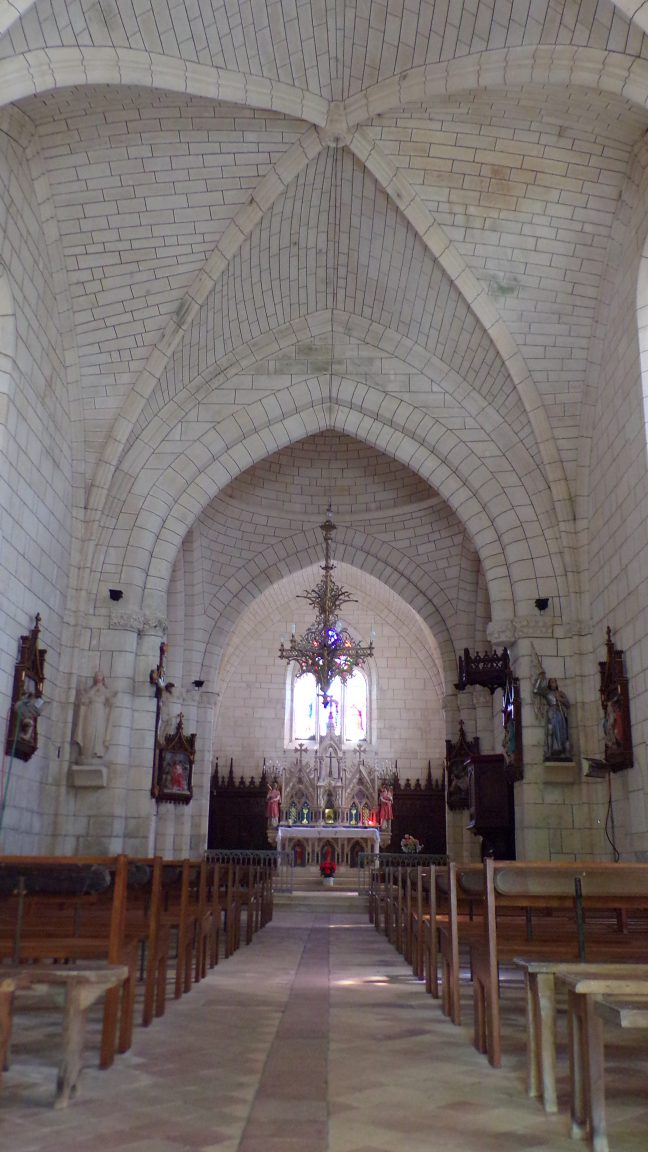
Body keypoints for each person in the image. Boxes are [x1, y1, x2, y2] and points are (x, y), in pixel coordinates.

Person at [74, 670, 116, 761]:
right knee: (89, 730)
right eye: (97, 675)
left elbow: (110, 701)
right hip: (90, 712)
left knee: (99, 731)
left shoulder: (105, 690)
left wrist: (111, 699)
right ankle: (87, 752)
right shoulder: (90, 690)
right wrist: (91, 691)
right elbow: (84, 700)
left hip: (100, 712)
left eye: (100, 675)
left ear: (103, 678)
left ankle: (98, 752)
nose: (98, 677)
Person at [533, 674, 571, 761]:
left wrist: (560, 699)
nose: (554, 684)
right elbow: (536, 690)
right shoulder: (547, 692)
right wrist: (540, 677)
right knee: (552, 731)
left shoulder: (561, 693)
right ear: (549, 684)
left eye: (555, 682)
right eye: (552, 682)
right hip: (552, 714)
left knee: (562, 732)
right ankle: (552, 750)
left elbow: (568, 704)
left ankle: (563, 751)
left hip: (560, 713)